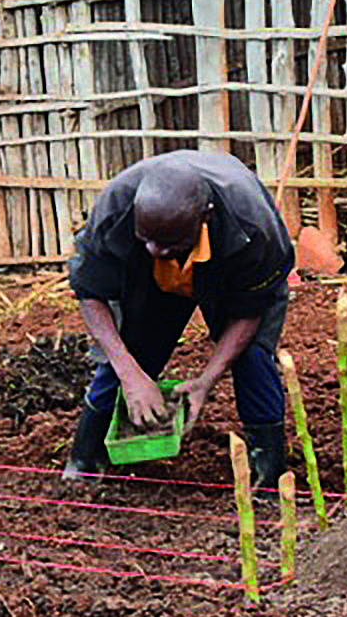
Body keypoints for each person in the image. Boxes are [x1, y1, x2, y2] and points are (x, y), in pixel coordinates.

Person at [65, 150, 295, 487]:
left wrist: (205, 382)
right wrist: (132, 375)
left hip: (228, 270)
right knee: (126, 351)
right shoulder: (115, 210)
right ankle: (84, 462)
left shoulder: (252, 228)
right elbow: (90, 293)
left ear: (206, 216)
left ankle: (268, 473)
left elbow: (249, 314)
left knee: (253, 357)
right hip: (151, 279)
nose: (156, 250)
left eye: (168, 242)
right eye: (148, 239)